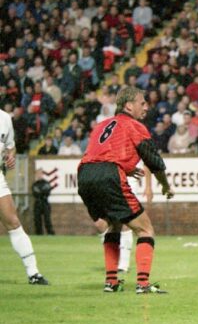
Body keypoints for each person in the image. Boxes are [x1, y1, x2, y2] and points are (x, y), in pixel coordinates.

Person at [77, 87, 174, 294]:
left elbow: (99, 153)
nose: (146, 106)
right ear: (129, 105)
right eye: (142, 103)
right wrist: (165, 185)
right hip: (108, 175)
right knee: (145, 229)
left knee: (114, 225)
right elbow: (154, 161)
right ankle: (142, 284)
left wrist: (126, 168)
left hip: (85, 174)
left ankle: (111, 282)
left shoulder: (101, 125)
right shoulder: (134, 125)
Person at [0, 108, 49, 284]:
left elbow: (10, 147)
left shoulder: (4, 118)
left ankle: (33, 273)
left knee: (13, 223)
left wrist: (10, 158)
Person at [31, 169, 55, 235]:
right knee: (37, 220)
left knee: (47, 220)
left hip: (45, 203)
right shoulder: (34, 184)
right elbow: (35, 193)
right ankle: (39, 234)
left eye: (40, 174)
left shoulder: (46, 183)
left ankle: (50, 234)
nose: (39, 175)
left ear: (42, 174)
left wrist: (41, 193)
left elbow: (47, 191)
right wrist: (41, 193)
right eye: (37, 174)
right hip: (37, 203)